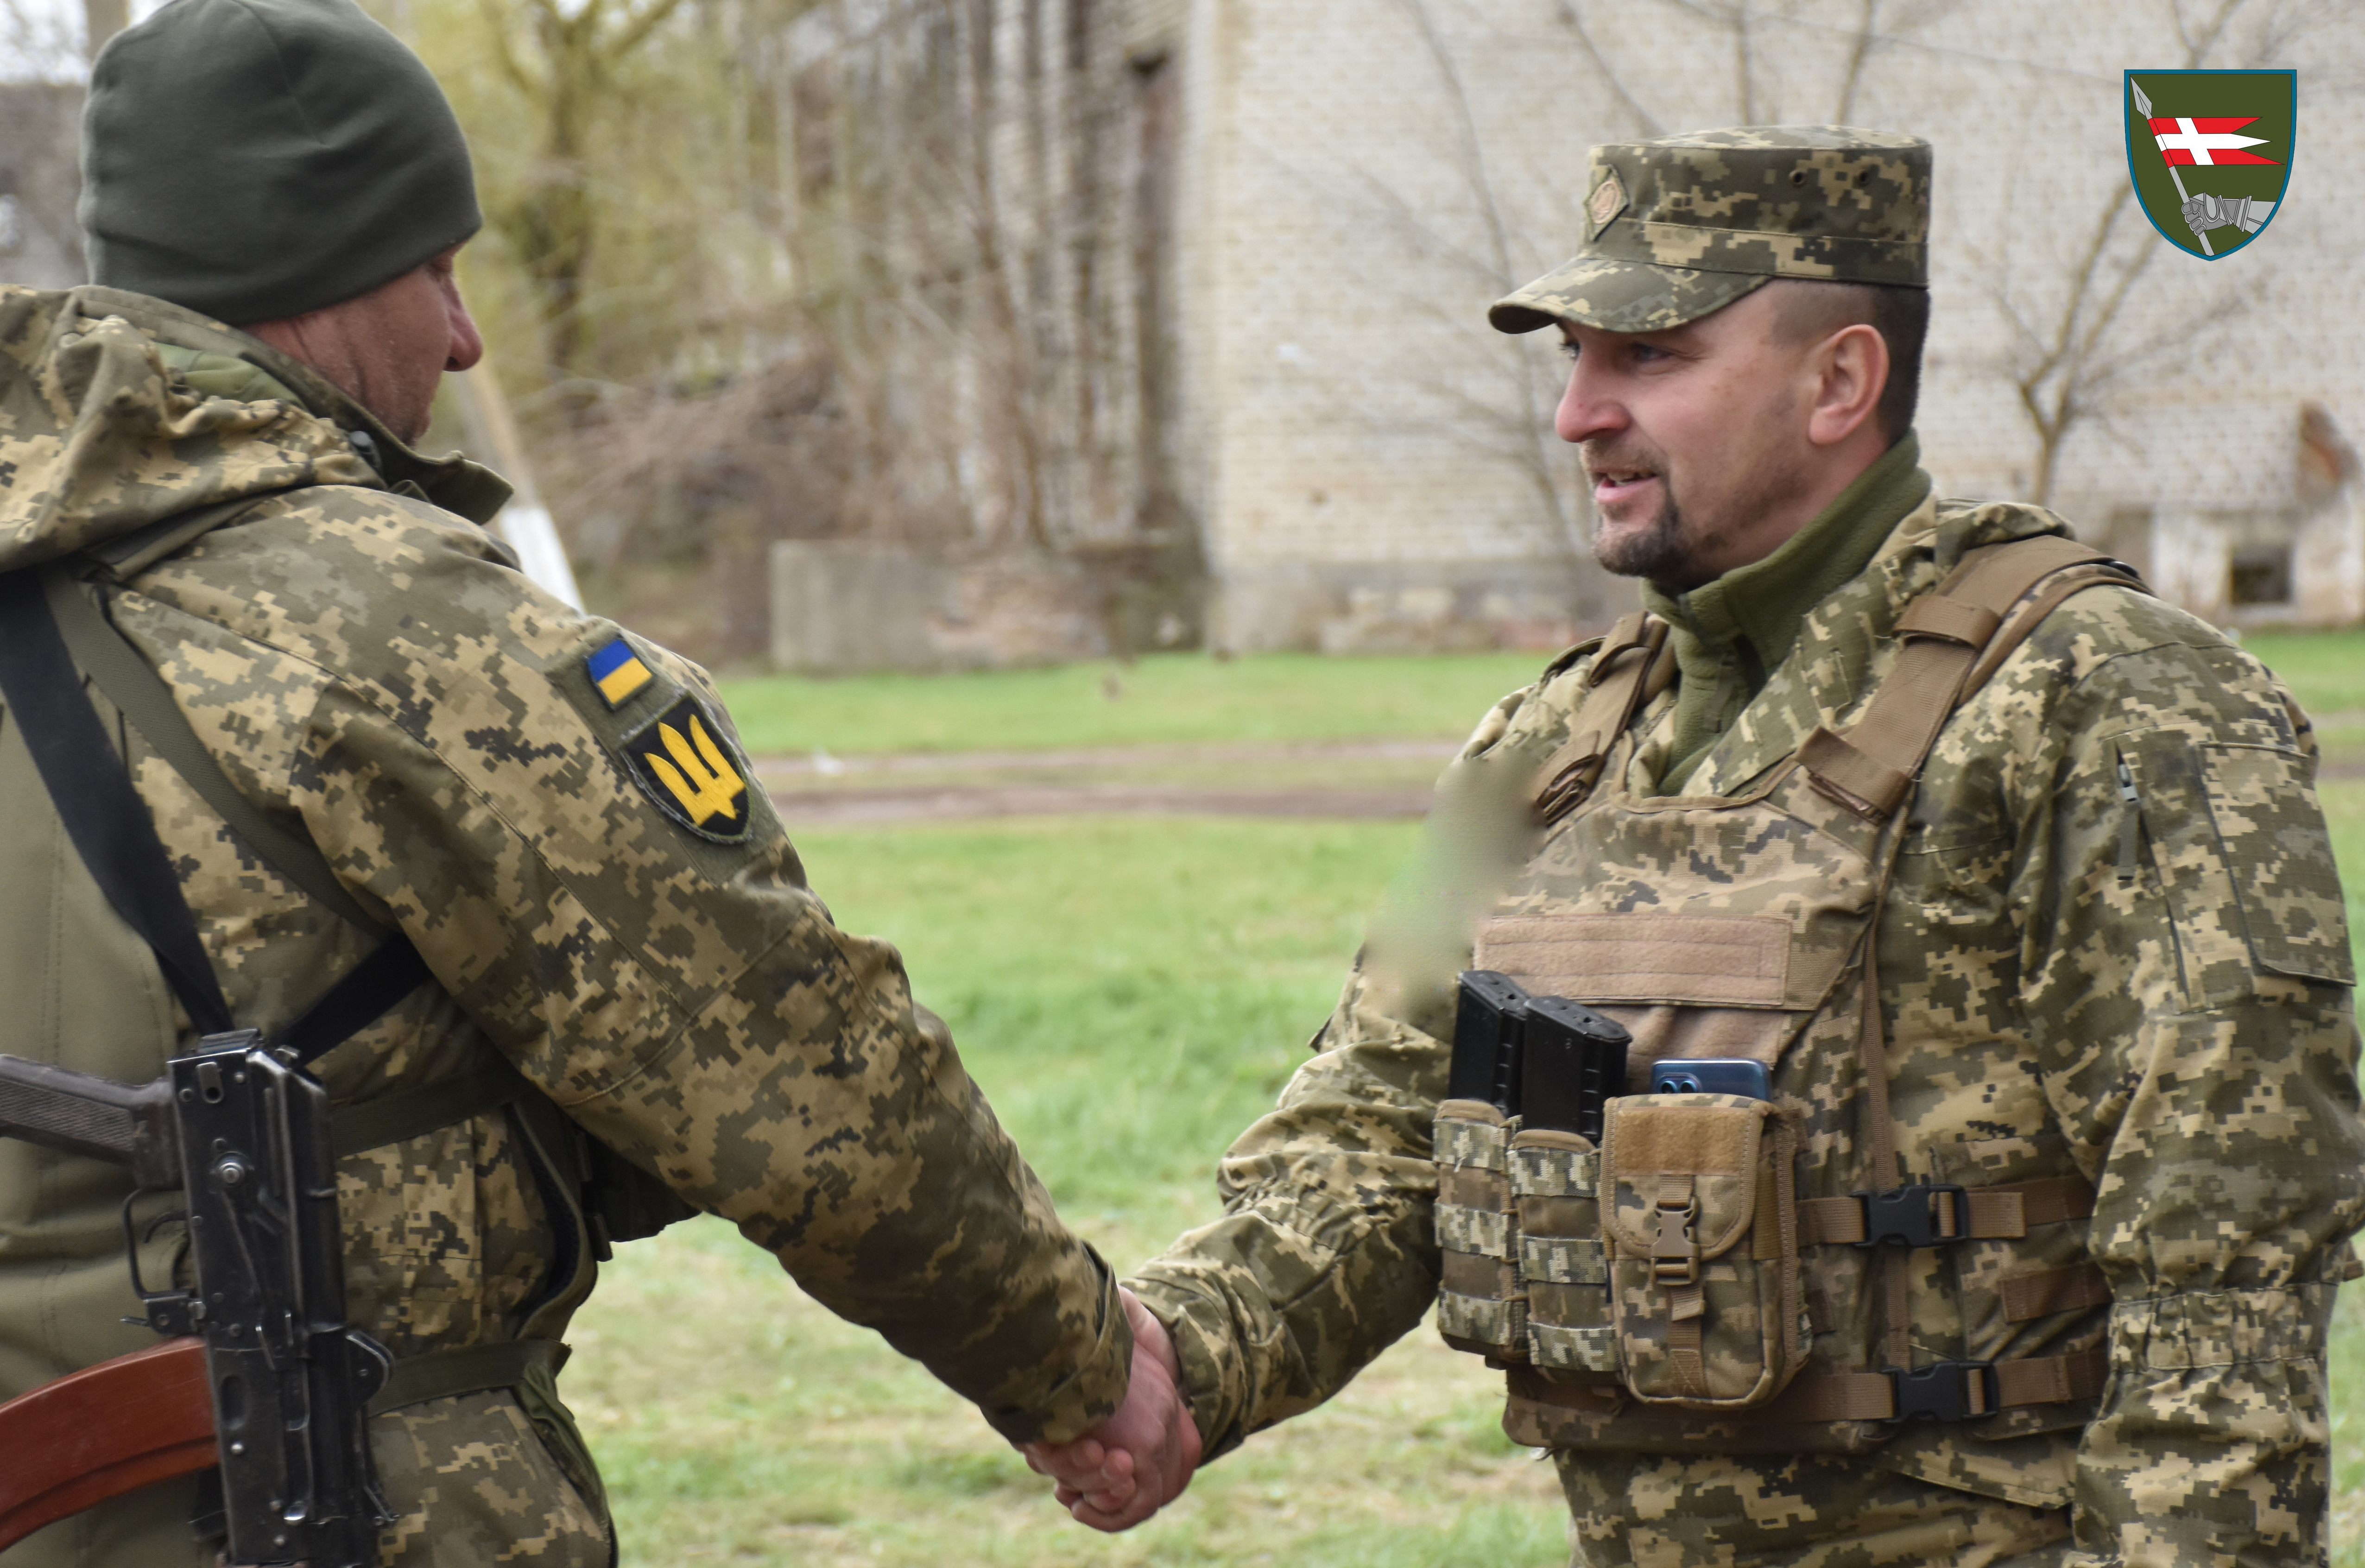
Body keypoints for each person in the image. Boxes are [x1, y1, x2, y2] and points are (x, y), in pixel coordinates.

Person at [1027, 125, 2365, 1566]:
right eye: (1573, 360)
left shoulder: (2106, 707)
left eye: (1648, 357)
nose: (1579, 416)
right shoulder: (1553, 747)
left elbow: (2222, 1293)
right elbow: (1376, 1141)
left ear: (1840, 380)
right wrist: (1178, 1361)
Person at [0, 1, 1136, 1563]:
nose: (465, 337)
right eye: (439, 270)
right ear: (320, 268)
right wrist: (1082, 1372)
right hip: (335, 1508)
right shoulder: (391, 628)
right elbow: (801, 1077)